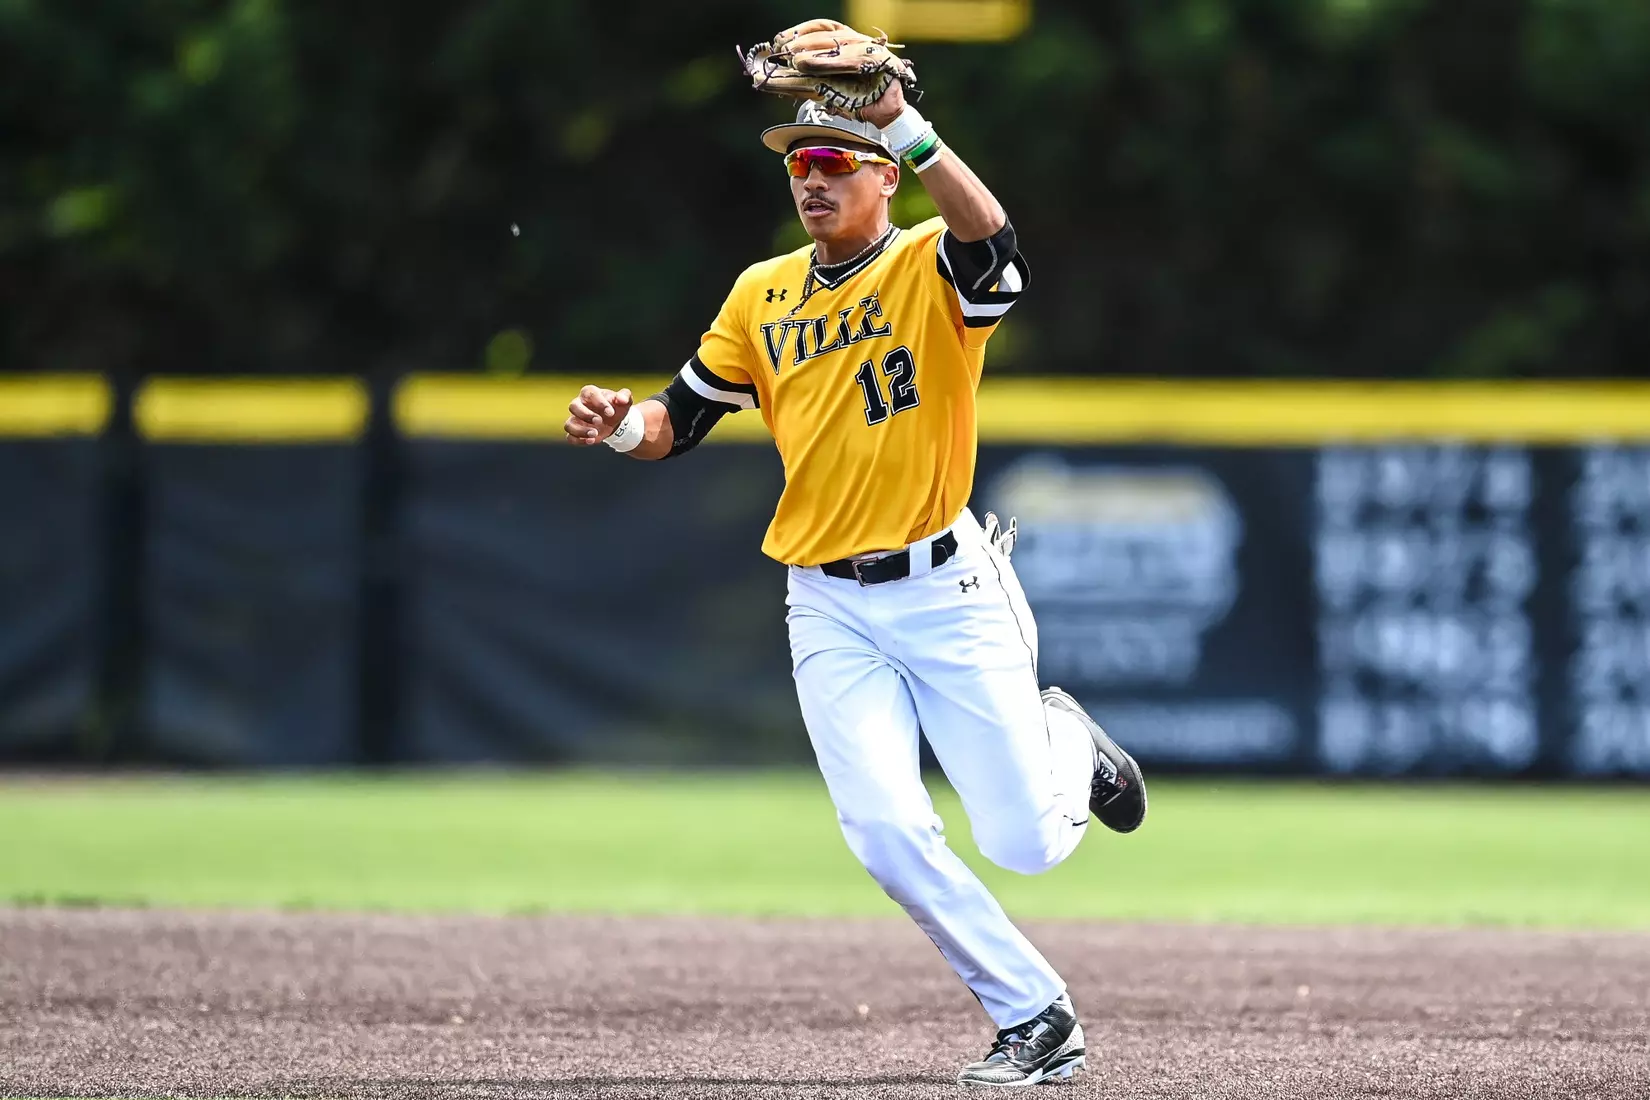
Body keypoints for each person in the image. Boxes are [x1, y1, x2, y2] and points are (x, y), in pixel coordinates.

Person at [562, 80, 1148, 1087]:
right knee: (883, 830)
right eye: (798, 163)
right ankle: (1036, 1014)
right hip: (825, 599)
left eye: (834, 161)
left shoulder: (928, 260)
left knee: (1026, 842)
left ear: (883, 175)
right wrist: (621, 425)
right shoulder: (763, 292)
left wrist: (908, 127)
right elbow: (679, 419)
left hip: (946, 583)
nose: (812, 179)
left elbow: (996, 244)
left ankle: (1062, 736)